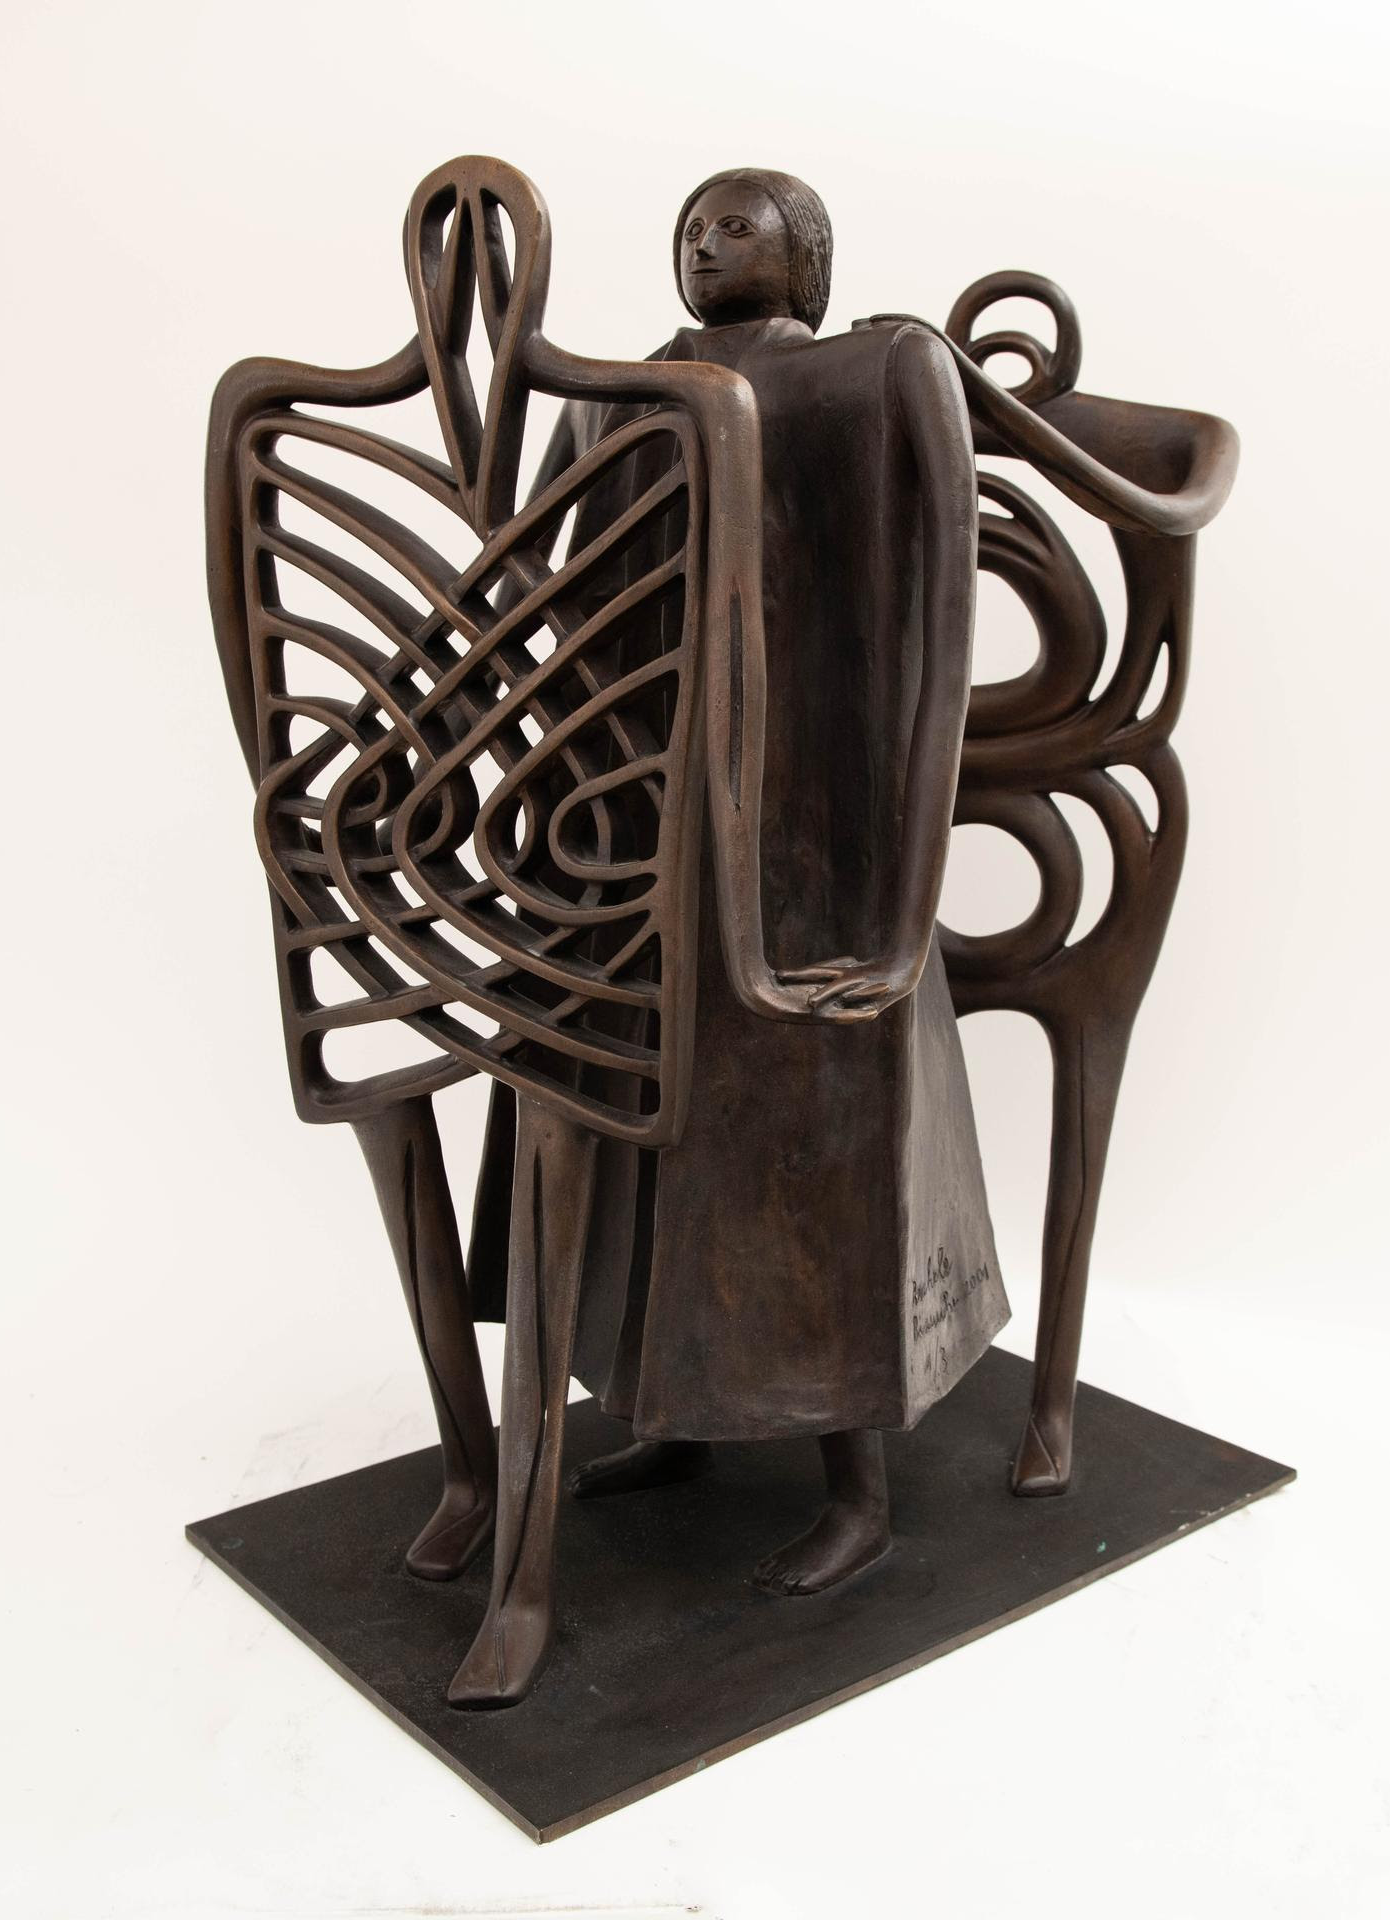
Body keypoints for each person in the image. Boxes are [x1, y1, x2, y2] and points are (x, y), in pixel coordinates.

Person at [495, 167, 1008, 1596]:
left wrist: (905, 907)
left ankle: (858, 1485)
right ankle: (670, 1414)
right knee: (652, 1122)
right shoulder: (615, 393)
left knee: (820, 1135)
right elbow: (524, 575)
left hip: (816, 832)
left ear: (808, 258)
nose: (704, 243)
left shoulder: (875, 370)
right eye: (693, 227)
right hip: (642, 825)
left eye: (738, 225)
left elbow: (948, 618)